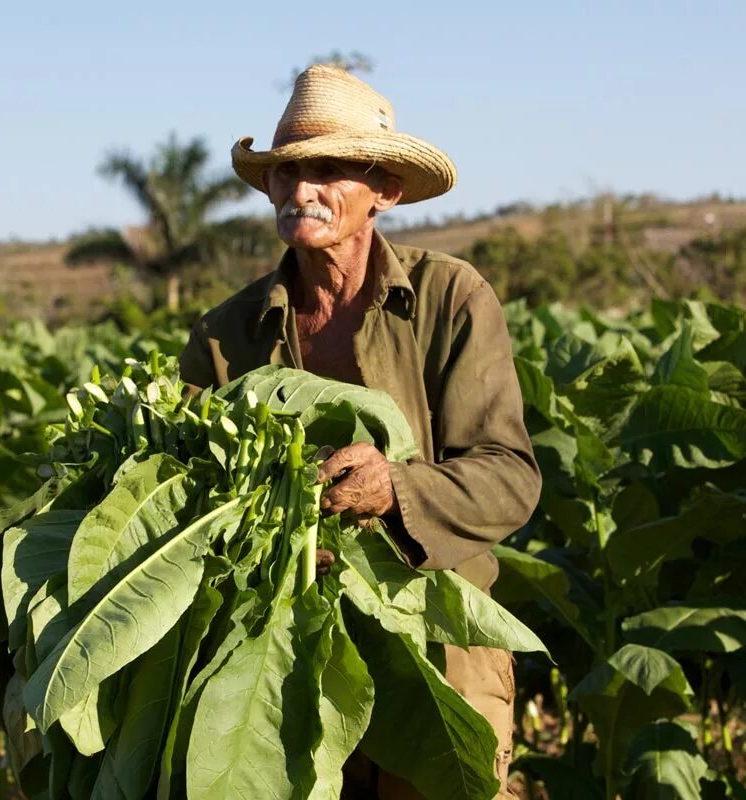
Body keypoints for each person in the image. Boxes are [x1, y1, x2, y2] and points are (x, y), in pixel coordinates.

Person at [178, 64, 541, 800]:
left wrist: (394, 488)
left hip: (434, 649)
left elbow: (509, 474)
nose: (300, 189)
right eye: (285, 172)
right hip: (280, 661)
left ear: (387, 191)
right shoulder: (225, 336)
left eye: (330, 168)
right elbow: (185, 488)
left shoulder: (449, 299)